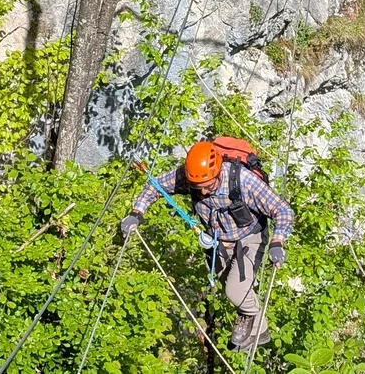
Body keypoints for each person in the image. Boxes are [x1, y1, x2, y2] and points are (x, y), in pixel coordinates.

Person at [120, 140, 294, 352]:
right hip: (219, 243)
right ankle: (260, 331)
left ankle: (248, 315)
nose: (202, 193)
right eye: (197, 188)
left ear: (219, 172)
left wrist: (278, 241)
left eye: (208, 186)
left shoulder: (243, 181)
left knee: (236, 292)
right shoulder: (188, 176)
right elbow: (154, 187)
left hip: (250, 238)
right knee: (230, 286)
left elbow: (282, 210)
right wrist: (136, 213)